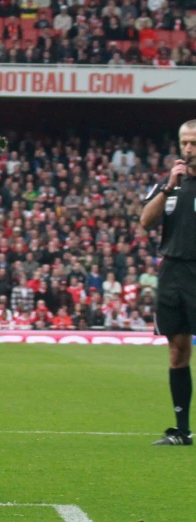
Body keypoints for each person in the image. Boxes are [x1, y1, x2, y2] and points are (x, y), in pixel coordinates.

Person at [140, 119, 196, 446]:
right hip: (173, 272)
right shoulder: (170, 183)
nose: (188, 149)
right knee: (177, 352)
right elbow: (146, 221)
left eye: (194, 143)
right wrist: (168, 187)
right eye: (184, 143)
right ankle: (181, 430)